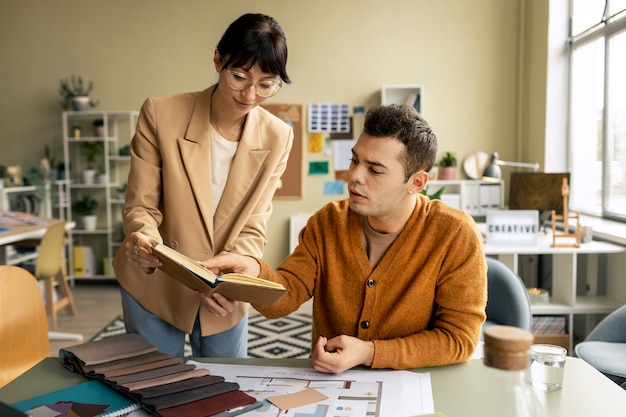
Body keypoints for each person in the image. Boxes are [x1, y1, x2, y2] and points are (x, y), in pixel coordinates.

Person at [200, 104, 487, 374]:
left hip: (418, 384)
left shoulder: (456, 234)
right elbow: (285, 297)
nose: (354, 176)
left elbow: (459, 339)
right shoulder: (328, 222)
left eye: (374, 169)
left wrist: (369, 352)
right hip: (336, 387)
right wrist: (253, 274)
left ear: (417, 182)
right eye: (354, 160)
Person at [112, 12, 293, 359]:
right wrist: (143, 237)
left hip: (222, 292)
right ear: (217, 60)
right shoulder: (160, 113)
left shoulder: (279, 135)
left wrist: (233, 274)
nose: (250, 94)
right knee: (155, 390)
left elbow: (256, 221)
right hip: (156, 279)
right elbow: (141, 205)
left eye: (266, 84)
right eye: (239, 76)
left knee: (225, 397)